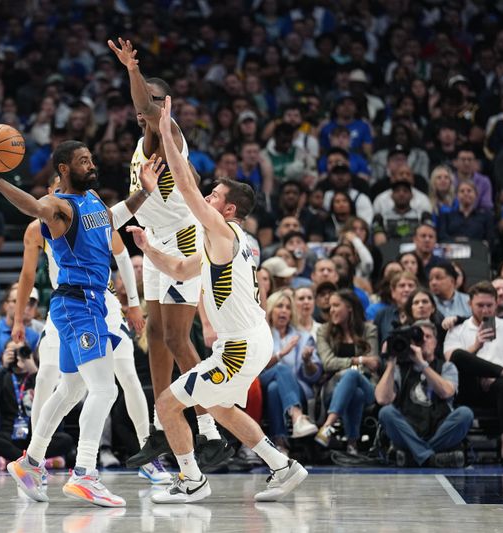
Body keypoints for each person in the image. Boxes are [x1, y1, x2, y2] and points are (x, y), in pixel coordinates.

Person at [125, 97, 308, 504]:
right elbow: (181, 271)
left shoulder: (224, 231)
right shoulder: (220, 243)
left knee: (168, 403)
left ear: (227, 208)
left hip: (240, 347)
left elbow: (186, 187)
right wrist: (147, 247)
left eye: (213, 196)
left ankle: (192, 480)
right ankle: (282, 466)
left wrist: (170, 135)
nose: (205, 198)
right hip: (246, 342)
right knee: (221, 407)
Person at [0, 134, 158, 506]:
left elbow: (113, 219)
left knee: (72, 389)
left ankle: (30, 461)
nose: (92, 165)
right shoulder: (57, 206)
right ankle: (85, 473)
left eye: (91, 159)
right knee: (105, 390)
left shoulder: (92, 201)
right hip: (79, 305)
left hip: (88, 304)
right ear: (64, 168)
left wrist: (144, 193)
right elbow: (30, 205)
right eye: (84, 161)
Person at [108, 38, 228, 469]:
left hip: (182, 239)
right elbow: (143, 109)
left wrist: (131, 71)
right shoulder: (144, 140)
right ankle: (161, 428)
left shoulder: (169, 131)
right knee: (155, 337)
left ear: (165, 104)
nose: (146, 107)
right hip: (155, 238)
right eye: (144, 103)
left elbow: (149, 105)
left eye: (154, 102)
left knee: (179, 338)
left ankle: (212, 432)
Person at [12, 173, 165, 484]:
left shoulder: (91, 210)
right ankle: (47, 462)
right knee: (51, 378)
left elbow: (121, 252)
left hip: (101, 300)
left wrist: (133, 302)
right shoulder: (41, 224)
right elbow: (26, 276)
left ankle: (148, 457)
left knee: (119, 376)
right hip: (70, 303)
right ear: (50, 194)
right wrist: (18, 318)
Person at [375, 320, 473, 467]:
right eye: (419, 338)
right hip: (408, 431)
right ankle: (431, 458)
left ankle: (415, 456)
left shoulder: (447, 366)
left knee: (465, 414)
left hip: (439, 430)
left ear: (435, 342)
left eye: (428, 337)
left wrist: (422, 365)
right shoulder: (400, 369)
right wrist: (391, 363)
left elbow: (446, 392)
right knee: (386, 412)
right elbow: (382, 399)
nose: (424, 341)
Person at [444, 282, 503, 466]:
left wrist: (497, 376)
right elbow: (451, 361)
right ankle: (502, 373)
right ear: (470, 304)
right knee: (459, 355)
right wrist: (476, 345)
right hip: (467, 386)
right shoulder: (457, 329)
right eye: (480, 305)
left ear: (496, 304)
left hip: (500, 389)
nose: (485, 310)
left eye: (489, 305)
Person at [0, 339, 73, 471]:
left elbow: (54, 400)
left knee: (66, 440)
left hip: (36, 435)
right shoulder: (3, 377)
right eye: (13, 352)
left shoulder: (39, 377)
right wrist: (3, 367)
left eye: (22, 351)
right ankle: (31, 460)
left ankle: (14, 459)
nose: (18, 356)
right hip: (10, 436)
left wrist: (34, 370)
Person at [315, 289, 380, 455]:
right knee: (354, 390)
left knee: (353, 377)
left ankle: (328, 426)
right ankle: (352, 444)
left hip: (368, 385)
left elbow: (373, 363)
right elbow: (328, 363)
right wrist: (359, 360)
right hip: (333, 387)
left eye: (336, 305)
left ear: (350, 307)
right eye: (330, 307)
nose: (332, 311)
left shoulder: (369, 330)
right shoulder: (324, 331)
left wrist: (356, 365)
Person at [262, 290, 321, 452]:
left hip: (296, 387)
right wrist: (281, 354)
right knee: (280, 369)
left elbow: (315, 374)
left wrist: (308, 361)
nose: (284, 310)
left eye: (288, 307)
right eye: (279, 306)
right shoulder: (261, 334)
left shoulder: (302, 336)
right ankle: (297, 416)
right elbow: (257, 366)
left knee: (274, 388)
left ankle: (280, 442)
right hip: (262, 380)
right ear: (271, 309)